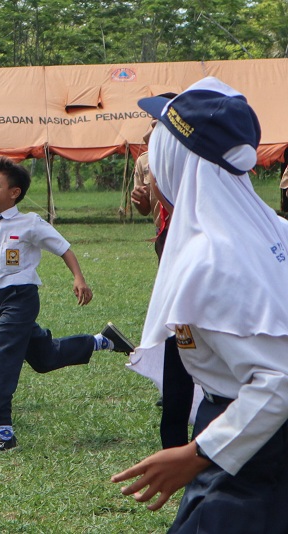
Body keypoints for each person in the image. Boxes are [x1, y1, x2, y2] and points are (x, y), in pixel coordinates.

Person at [112, 77, 288, 532]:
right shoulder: (273, 230)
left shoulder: (212, 257)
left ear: (179, 157)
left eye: (160, 140)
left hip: (251, 441)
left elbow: (277, 382)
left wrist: (197, 454)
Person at [0, 156, 133, 453]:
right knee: (44, 359)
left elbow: (63, 248)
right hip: (0, 302)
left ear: (14, 192)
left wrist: (79, 278)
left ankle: (4, 434)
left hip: (22, 299)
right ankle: (102, 341)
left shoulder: (30, 223)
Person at [132, 119, 194, 450]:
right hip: (166, 243)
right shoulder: (146, 161)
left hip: (186, 249)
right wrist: (143, 202)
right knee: (178, 336)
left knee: (189, 339)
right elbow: (148, 207)